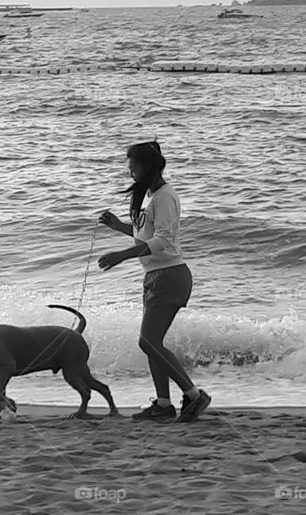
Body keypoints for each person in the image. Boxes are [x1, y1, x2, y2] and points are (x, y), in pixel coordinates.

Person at [98, 141, 211, 422]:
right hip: (155, 276)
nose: (130, 173)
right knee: (152, 342)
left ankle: (195, 396)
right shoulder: (151, 197)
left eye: (134, 167)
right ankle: (162, 403)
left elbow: (162, 241)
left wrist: (123, 255)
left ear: (148, 166)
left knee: (148, 341)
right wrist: (117, 226)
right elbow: (145, 238)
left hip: (170, 275)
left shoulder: (165, 197)